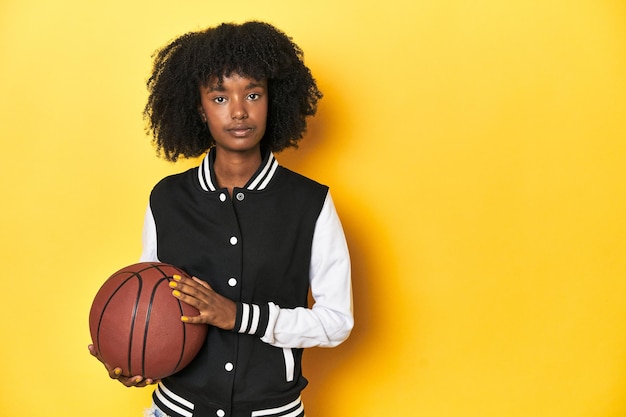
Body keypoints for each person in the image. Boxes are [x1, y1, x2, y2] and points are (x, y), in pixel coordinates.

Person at [89, 21, 353, 417]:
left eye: (252, 93)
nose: (239, 111)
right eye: (219, 97)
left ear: (271, 100)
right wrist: (134, 355)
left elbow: (337, 322)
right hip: (175, 409)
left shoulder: (310, 203)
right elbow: (150, 302)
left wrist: (240, 316)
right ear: (199, 107)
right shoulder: (168, 198)